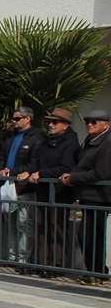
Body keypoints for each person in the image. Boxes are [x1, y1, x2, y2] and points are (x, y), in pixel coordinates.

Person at [60, 109, 111, 284]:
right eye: (87, 121)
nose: (90, 125)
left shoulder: (107, 143)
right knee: (88, 235)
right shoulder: (90, 141)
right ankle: (96, 272)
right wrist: (71, 175)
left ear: (106, 125)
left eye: (95, 122)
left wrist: (74, 178)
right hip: (88, 195)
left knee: (91, 236)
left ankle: (98, 273)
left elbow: (101, 173)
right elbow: (81, 164)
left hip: (99, 197)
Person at [29, 108, 80, 274]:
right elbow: (37, 163)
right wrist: (29, 172)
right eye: (49, 122)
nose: (51, 125)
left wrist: (41, 174)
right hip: (43, 191)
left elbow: (66, 167)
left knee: (58, 229)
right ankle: (41, 263)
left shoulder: (71, 144)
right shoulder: (46, 142)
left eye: (55, 122)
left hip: (60, 193)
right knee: (41, 228)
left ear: (65, 125)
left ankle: (58, 265)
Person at [0, 106, 45, 269]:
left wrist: (14, 171)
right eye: (13, 118)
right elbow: (2, 156)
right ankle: (12, 256)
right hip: (9, 186)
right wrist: (1, 170)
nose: (14, 121)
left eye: (17, 118)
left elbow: (35, 163)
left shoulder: (37, 137)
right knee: (10, 223)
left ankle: (23, 258)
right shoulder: (11, 136)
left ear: (28, 118)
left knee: (24, 223)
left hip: (25, 187)